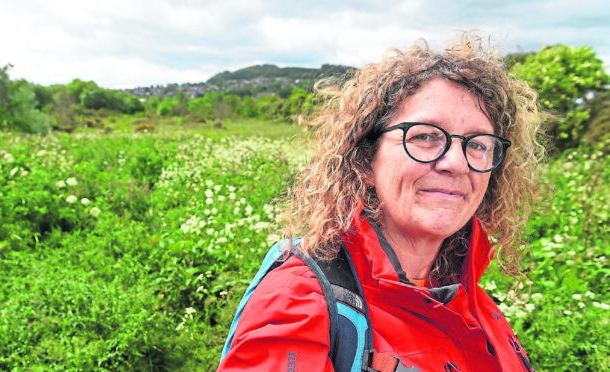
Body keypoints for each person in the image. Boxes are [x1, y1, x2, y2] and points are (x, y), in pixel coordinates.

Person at [218, 31, 542, 371]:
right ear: (365, 161)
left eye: (478, 143)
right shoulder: (300, 302)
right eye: (426, 136)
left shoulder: (470, 298)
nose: (457, 163)